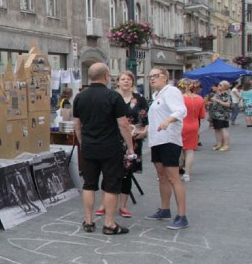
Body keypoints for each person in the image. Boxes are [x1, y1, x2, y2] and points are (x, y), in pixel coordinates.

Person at [72, 63, 135, 235]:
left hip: (89, 147)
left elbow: (77, 124)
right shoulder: (113, 97)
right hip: (110, 148)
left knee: (89, 185)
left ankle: (89, 221)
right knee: (111, 185)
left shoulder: (80, 97)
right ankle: (109, 224)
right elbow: (123, 124)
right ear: (106, 76)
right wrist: (130, 147)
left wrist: (82, 142)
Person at [95, 71, 148, 217]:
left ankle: (123, 205)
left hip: (133, 140)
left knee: (127, 174)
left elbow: (145, 119)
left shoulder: (139, 99)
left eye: (129, 79)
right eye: (123, 79)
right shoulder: (111, 96)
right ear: (117, 82)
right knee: (108, 172)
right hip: (112, 139)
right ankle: (103, 203)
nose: (126, 81)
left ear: (132, 82)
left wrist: (143, 131)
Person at [145, 67, 189, 230]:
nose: (152, 79)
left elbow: (181, 110)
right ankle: (165, 209)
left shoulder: (171, 91)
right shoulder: (157, 95)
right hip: (156, 140)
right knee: (161, 176)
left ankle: (182, 215)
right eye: (150, 77)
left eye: (155, 76)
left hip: (169, 140)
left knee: (173, 177)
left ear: (165, 77)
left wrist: (168, 121)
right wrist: (145, 130)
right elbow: (156, 118)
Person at [178, 79, 205, 182]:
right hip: (194, 125)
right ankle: (187, 174)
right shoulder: (200, 99)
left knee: (178, 148)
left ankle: (178, 167)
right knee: (190, 150)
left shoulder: (180, 98)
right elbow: (202, 115)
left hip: (181, 125)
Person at [209, 81, 233, 151]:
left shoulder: (227, 94)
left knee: (223, 129)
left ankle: (226, 144)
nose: (218, 86)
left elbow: (228, 104)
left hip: (222, 115)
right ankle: (219, 143)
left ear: (225, 87)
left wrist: (218, 101)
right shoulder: (216, 93)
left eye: (220, 85)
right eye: (218, 84)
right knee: (217, 129)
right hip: (215, 114)